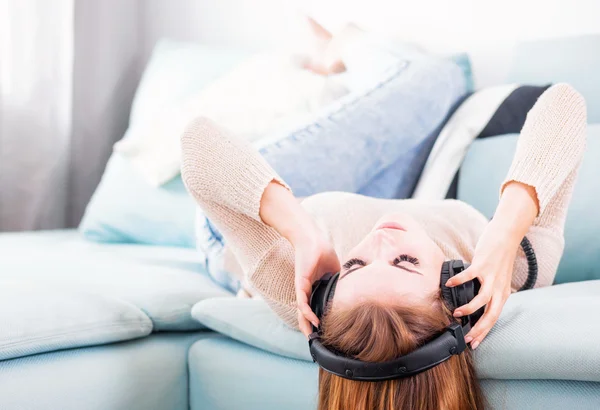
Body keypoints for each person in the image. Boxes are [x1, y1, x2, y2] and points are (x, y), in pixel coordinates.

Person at [181, 81, 586, 409]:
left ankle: (332, 62)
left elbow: (198, 143)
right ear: (458, 294)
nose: (379, 238)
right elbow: (564, 103)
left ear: (327, 295)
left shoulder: (305, 295)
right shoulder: (509, 270)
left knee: (427, 77)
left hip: (246, 212)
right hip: (406, 194)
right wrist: (505, 229)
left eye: (353, 265)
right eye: (405, 261)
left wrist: (303, 232)